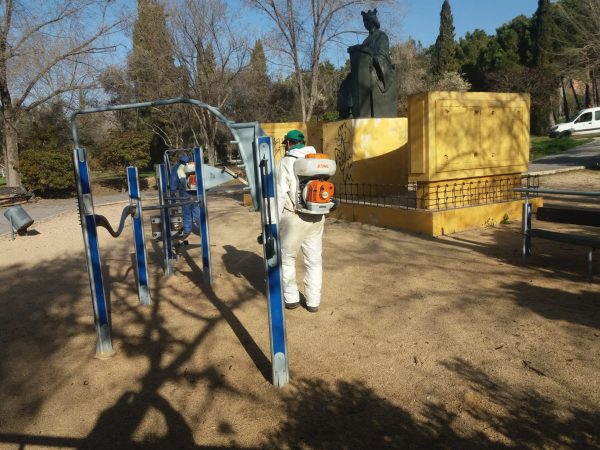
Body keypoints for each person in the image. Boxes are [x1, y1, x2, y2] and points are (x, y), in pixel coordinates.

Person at [276, 130, 324, 313]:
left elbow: (280, 194)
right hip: (317, 216)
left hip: (294, 218)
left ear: (288, 143)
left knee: (287, 259)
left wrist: (274, 220)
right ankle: (313, 302)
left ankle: (292, 299)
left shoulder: (287, 162)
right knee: (314, 260)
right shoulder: (315, 159)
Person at [169, 153, 200, 240]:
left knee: (186, 212)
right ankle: (203, 228)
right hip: (194, 191)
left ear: (179, 159)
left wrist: (172, 192)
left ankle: (187, 230)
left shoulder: (176, 167)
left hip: (184, 193)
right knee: (197, 210)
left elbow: (173, 180)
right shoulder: (193, 165)